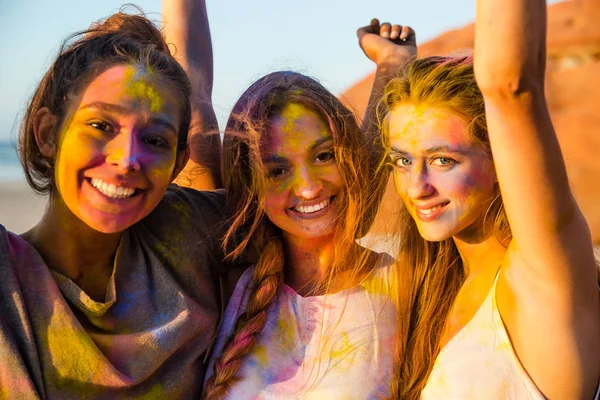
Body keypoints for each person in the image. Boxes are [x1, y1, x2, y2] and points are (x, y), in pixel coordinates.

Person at [359, 0, 600, 398]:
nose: (417, 187)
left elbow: (511, 88)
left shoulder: (543, 279)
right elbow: (336, 214)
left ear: (499, 157)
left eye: (443, 160)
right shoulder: (423, 290)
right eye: (402, 160)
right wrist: (390, 66)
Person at [0, 1, 235, 397]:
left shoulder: (187, 236)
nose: (127, 160)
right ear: (46, 133)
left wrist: (382, 73)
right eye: (100, 125)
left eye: (155, 140)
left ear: (178, 162)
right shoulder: (10, 280)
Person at [201, 68, 415, 399]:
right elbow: (194, 96)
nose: (308, 187)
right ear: (251, 185)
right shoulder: (230, 286)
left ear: (349, 157)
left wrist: (392, 66)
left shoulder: (405, 286)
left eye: (323, 155)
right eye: (277, 170)